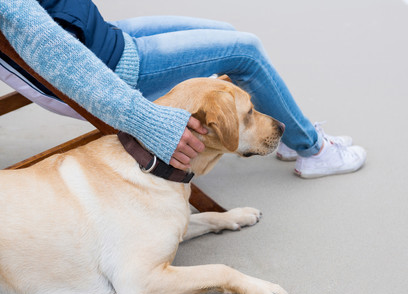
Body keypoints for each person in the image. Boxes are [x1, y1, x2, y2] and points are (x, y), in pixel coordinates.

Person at [0, 0, 366, 178]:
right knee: (246, 50)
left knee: (226, 32)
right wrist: (143, 119)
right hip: (110, 67)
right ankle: (313, 151)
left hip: (105, 35)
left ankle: (280, 131)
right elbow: (59, 57)